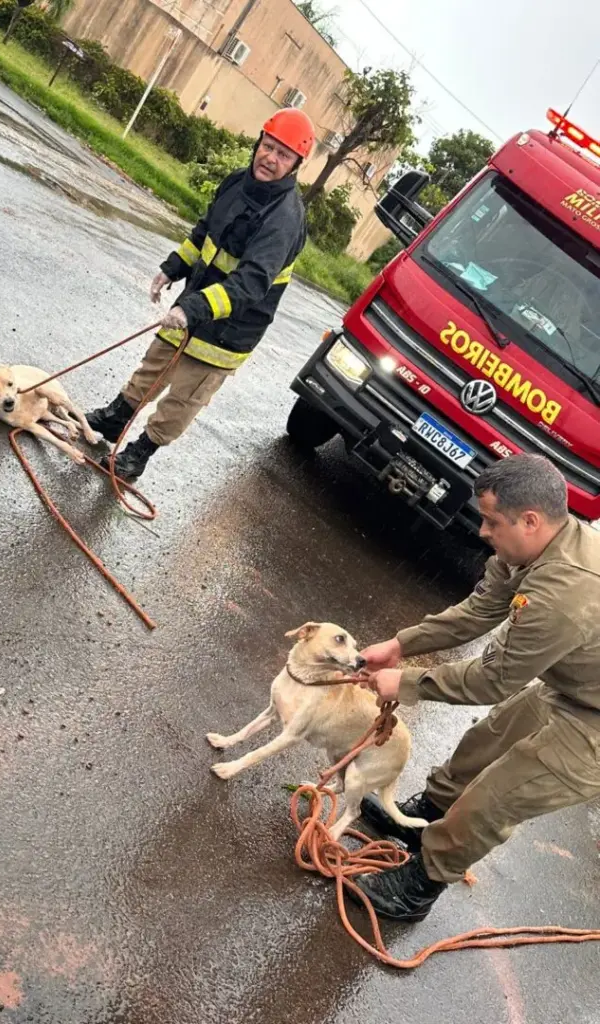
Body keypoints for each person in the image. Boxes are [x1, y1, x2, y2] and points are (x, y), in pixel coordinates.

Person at [349, 453, 600, 922]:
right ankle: (424, 817)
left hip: (595, 720)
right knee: (485, 742)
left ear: (530, 520)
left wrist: (403, 683)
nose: (482, 532)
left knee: (500, 793)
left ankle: (420, 883)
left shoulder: (565, 593)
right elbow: (479, 611)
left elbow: (493, 679)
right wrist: (401, 644)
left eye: (491, 522)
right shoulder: (531, 549)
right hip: (577, 683)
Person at [85, 108, 315, 479]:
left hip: (229, 330)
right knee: (153, 366)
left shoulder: (285, 219)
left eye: (283, 154)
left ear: (295, 164)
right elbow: (205, 233)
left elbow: (252, 282)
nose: (270, 158)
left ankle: (138, 455)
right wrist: (172, 267)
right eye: (268, 146)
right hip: (194, 307)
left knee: (183, 398)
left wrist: (193, 308)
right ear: (258, 143)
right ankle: (114, 420)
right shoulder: (237, 182)